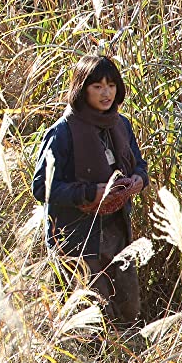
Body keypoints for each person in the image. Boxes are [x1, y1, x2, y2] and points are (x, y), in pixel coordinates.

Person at [31, 54, 149, 327]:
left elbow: (139, 164)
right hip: (77, 237)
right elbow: (41, 187)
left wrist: (139, 180)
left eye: (111, 85)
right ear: (82, 90)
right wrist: (89, 193)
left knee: (128, 309)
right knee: (91, 318)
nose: (106, 93)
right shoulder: (61, 133)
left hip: (116, 231)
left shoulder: (121, 125)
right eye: (97, 86)